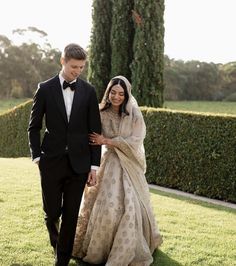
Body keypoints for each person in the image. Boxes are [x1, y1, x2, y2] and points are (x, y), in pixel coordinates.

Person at [72, 75, 162, 266]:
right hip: (106, 163)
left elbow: (135, 142)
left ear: (127, 95)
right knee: (103, 205)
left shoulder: (134, 116)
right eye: (113, 92)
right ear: (108, 92)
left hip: (128, 165)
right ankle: (98, 248)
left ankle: (124, 249)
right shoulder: (99, 111)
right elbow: (89, 138)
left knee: (127, 206)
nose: (116, 97)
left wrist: (107, 141)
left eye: (121, 94)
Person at [27, 43, 101, 266]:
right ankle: (56, 242)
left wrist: (94, 166)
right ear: (63, 61)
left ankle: (61, 259)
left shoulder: (89, 91)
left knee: (70, 215)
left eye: (81, 67)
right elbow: (34, 127)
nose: (77, 71)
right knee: (51, 213)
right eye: (73, 67)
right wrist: (37, 156)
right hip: (51, 161)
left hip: (79, 164)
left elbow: (94, 132)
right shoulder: (45, 88)